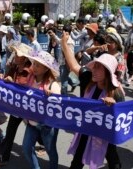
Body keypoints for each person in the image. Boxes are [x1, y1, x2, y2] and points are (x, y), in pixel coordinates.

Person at [61, 31, 124, 169]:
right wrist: (64, 44)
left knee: (113, 160)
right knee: (77, 161)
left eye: (98, 67)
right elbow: (73, 65)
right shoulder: (88, 79)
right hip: (87, 128)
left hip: (105, 134)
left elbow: (122, 120)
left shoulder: (117, 93)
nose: (93, 70)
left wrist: (114, 107)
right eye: (94, 66)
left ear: (108, 72)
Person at [0, 43, 32, 168]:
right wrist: (0, 77)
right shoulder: (13, 67)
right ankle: (3, 157)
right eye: (14, 53)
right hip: (15, 107)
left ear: (24, 58)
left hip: (28, 108)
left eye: (17, 54)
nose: (14, 55)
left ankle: (43, 145)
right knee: (10, 133)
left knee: (36, 130)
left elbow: (29, 89)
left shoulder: (31, 70)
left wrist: (13, 82)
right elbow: (5, 80)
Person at [22, 50, 61, 169]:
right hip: (31, 123)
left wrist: (52, 98)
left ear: (46, 69)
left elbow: (58, 109)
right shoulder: (30, 79)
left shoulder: (52, 86)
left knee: (50, 151)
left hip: (46, 126)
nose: (34, 67)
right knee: (27, 148)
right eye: (34, 64)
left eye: (38, 65)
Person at [48, 24, 74, 95]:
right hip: (62, 63)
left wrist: (69, 66)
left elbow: (70, 55)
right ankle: (73, 84)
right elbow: (59, 41)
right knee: (64, 79)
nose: (63, 33)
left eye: (64, 32)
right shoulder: (64, 40)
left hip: (65, 64)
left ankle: (64, 96)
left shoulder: (70, 42)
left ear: (67, 32)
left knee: (64, 82)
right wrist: (53, 35)